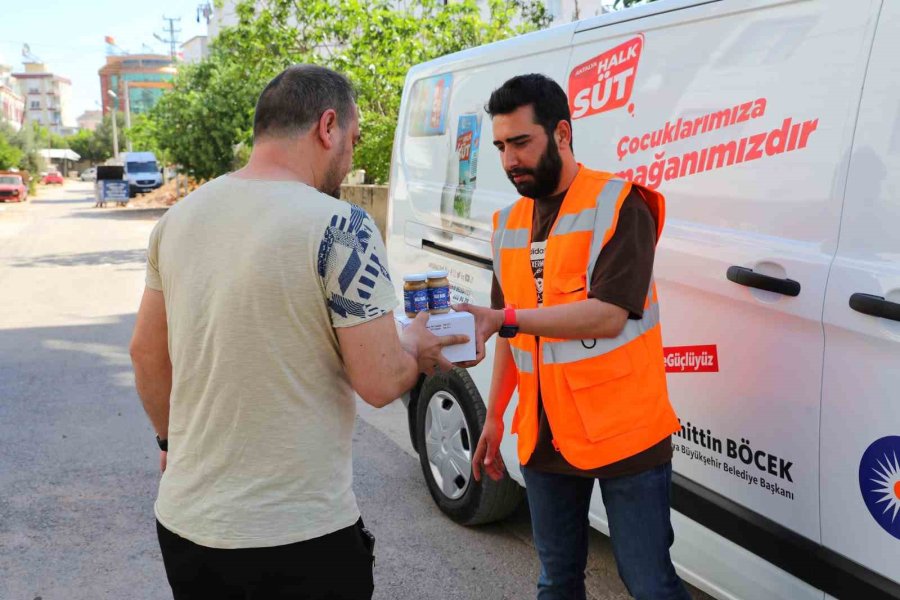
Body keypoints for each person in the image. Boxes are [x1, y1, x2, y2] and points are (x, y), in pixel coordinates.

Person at [129, 64, 467, 600]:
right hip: (298, 539)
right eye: (353, 141)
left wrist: (170, 441)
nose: (352, 158)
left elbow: (145, 354)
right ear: (327, 127)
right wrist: (418, 349)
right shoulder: (341, 225)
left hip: (187, 530)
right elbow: (380, 381)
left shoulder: (178, 218)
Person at [456, 74, 691, 600]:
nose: (509, 159)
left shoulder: (620, 204)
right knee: (556, 581)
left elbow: (607, 315)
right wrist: (495, 415)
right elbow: (508, 334)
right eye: (500, 146)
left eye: (521, 142)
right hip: (545, 433)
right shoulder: (508, 223)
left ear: (561, 133)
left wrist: (507, 320)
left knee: (649, 583)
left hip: (624, 431)